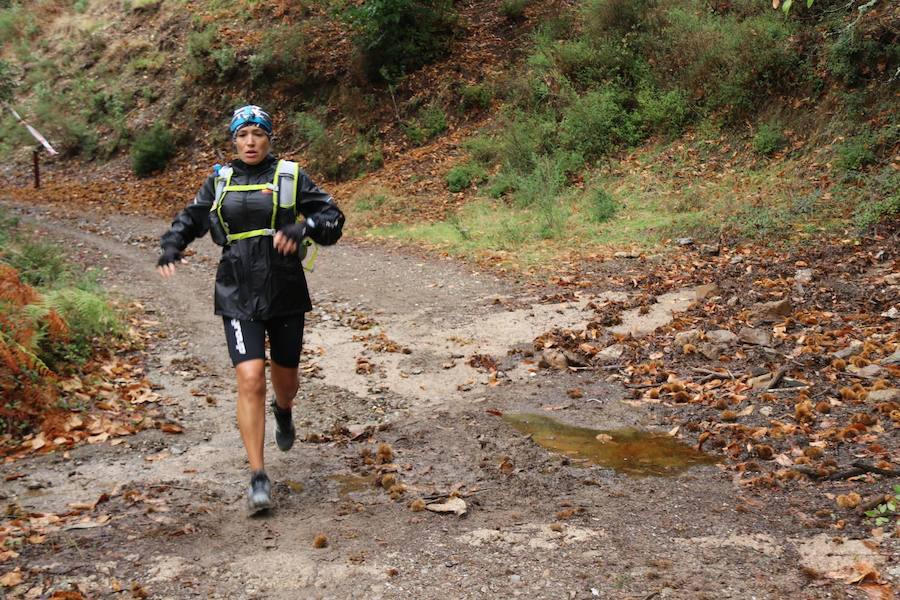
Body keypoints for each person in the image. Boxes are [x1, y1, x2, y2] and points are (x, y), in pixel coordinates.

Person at [156, 105, 344, 514]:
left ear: (268, 138)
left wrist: (304, 227)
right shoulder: (219, 181)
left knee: (286, 382)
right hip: (237, 291)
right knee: (250, 377)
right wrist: (172, 244)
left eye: (258, 133)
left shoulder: (290, 177)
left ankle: (285, 411)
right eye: (243, 135)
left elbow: (332, 219)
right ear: (234, 140)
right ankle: (258, 476)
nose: (250, 141)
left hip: (285, 290)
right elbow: (191, 218)